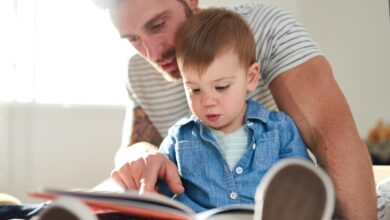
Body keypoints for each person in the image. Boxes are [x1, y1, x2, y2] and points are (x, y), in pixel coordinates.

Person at [100, 0, 376, 219]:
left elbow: (331, 135)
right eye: (131, 39)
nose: (151, 53)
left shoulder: (266, 29)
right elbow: (131, 150)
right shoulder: (137, 72)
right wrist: (147, 157)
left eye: (158, 24)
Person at [155, 7, 312, 212]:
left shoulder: (279, 130)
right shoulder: (179, 137)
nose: (208, 102)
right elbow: (157, 199)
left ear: (251, 78)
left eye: (221, 87)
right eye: (194, 89)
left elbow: (305, 187)